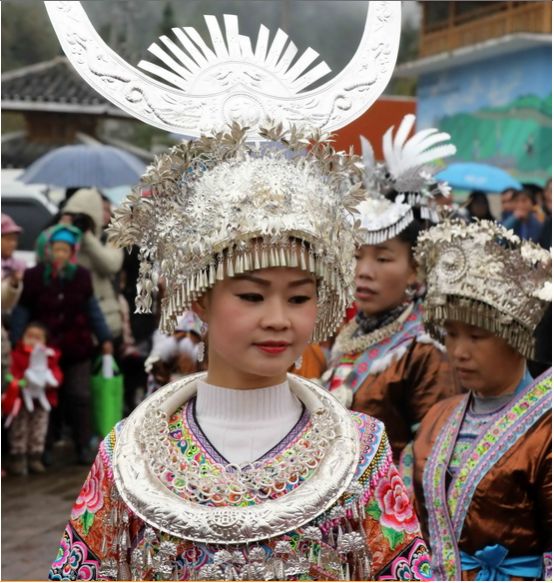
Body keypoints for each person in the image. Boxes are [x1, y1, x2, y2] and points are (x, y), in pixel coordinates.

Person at [49, 123, 431, 581]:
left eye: (298, 298)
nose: (278, 319)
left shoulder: (360, 451)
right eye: (252, 296)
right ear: (199, 299)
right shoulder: (129, 456)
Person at [412, 219, 552, 581]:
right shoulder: (439, 416)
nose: (459, 351)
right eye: (451, 334)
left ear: (515, 337)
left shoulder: (547, 425)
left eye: (476, 336)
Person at [322, 115, 459, 475]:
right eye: (357, 256)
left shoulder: (424, 350)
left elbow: (434, 459)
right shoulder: (349, 333)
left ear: (416, 269)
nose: (364, 271)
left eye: (383, 258)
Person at [10, 225, 113, 465]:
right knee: (47, 399)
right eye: (56, 250)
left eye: (64, 250)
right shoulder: (34, 276)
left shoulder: (81, 276)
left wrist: (105, 337)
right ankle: (43, 448)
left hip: (77, 347)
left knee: (79, 396)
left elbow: (92, 309)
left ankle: (83, 445)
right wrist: (17, 339)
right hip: (44, 351)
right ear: (48, 250)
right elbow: (23, 309)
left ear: (72, 252)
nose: (59, 255)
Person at [61, 187, 124, 343]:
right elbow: (47, 259)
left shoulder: (111, 238)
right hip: (70, 318)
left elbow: (111, 265)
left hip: (105, 318)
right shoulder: (62, 237)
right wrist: (63, 231)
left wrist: (88, 236)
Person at [2, 322, 63, 475]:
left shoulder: (49, 357)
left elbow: (56, 374)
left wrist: (50, 382)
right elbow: (12, 373)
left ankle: (35, 457)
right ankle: (18, 457)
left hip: (42, 402)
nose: (32, 341)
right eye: (29, 336)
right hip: (22, 401)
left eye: (37, 338)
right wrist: (19, 381)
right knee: (19, 429)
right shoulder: (16, 355)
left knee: (38, 430)